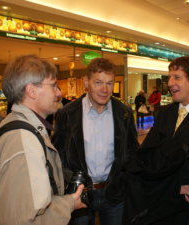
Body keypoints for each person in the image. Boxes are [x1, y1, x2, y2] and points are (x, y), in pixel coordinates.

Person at [0, 55, 86, 225]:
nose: (59, 92)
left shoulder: (22, 126)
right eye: (53, 86)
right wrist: (69, 203)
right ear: (31, 91)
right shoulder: (23, 140)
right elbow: (22, 219)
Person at [122, 56, 189, 225]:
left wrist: (160, 177)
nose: (169, 83)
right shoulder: (166, 113)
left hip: (185, 211)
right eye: (169, 77)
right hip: (156, 208)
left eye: (177, 77)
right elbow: (145, 155)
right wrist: (177, 186)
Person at [53, 58, 139, 225]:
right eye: (98, 82)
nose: (104, 89)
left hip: (114, 192)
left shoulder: (124, 113)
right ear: (87, 82)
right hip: (79, 195)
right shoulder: (67, 114)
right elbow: (59, 154)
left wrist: (124, 180)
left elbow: (132, 150)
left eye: (109, 83)